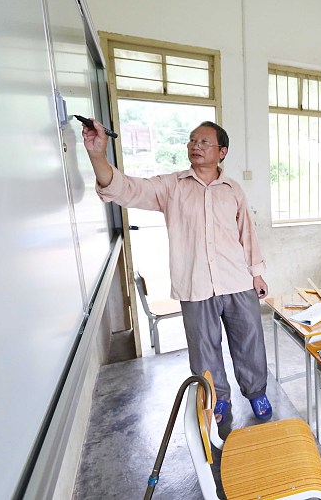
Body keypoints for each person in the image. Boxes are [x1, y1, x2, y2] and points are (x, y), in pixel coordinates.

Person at [81, 118, 272, 424]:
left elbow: (246, 233)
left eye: (204, 142)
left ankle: (256, 392)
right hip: (195, 284)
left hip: (237, 280)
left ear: (222, 152)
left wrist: (256, 273)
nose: (196, 146)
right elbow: (126, 189)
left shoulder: (233, 190)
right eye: (192, 140)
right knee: (204, 351)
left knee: (249, 342)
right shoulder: (172, 186)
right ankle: (218, 400)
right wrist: (97, 155)